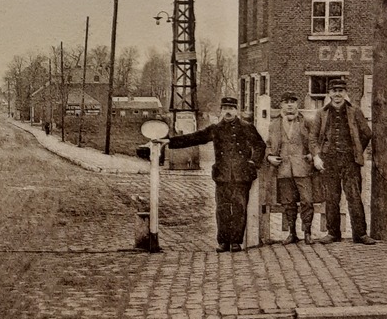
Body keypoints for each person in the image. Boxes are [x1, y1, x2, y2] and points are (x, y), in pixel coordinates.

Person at [138, 97, 266, 251]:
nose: (228, 111)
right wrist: (169, 142)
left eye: (231, 108)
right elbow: (195, 138)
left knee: (239, 207)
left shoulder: (246, 127)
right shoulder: (216, 129)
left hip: (241, 175)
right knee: (222, 208)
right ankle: (223, 241)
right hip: (222, 174)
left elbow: (260, 145)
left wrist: (253, 162)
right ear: (221, 111)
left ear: (236, 111)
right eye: (225, 108)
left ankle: (236, 241)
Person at [315, 78, 376, 244]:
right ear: (329, 94)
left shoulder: (355, 111)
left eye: (340, 91)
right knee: (331, 197)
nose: (337, 94)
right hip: (329, 161)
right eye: (334, 91)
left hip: (350, 161)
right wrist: (317, 155)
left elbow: (366, 133)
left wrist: (356, 150)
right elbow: (313, 138)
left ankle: (360, 234)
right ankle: (333, 233)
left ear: (345, 93)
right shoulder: (322, 113)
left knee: (354, 197)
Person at [265, 92, 323, 244]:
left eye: (293, 102)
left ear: (298, 104)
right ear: (281, 105)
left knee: (307, 201)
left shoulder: (306, 122)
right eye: (286, 102)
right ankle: (292, 233)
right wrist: (270, 157)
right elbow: (269, 144)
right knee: (288, 202)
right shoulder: (274, 124)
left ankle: (308, 233)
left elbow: (315, 141)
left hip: (303, 167)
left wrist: (312, 154)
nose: (290, 105)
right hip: (283, 168)